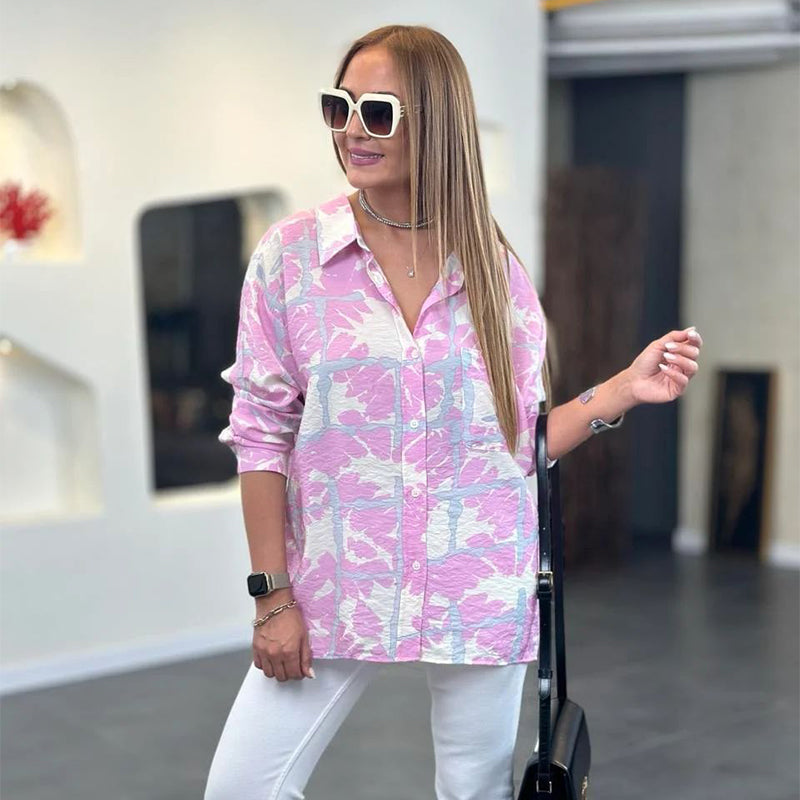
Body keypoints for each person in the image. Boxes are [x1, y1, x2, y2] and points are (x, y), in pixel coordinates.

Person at [203, 24, 703, 800]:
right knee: (241, 788)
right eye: (339, 106)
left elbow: (518, 444)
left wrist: (622, 390)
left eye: (377, 112)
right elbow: (261, 435)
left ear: (435, 123)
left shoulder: (493, 269)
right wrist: (272, 599)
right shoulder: (291, 257)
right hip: (338, 583)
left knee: (474, 794)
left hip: (478, 583)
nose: (351, 130)